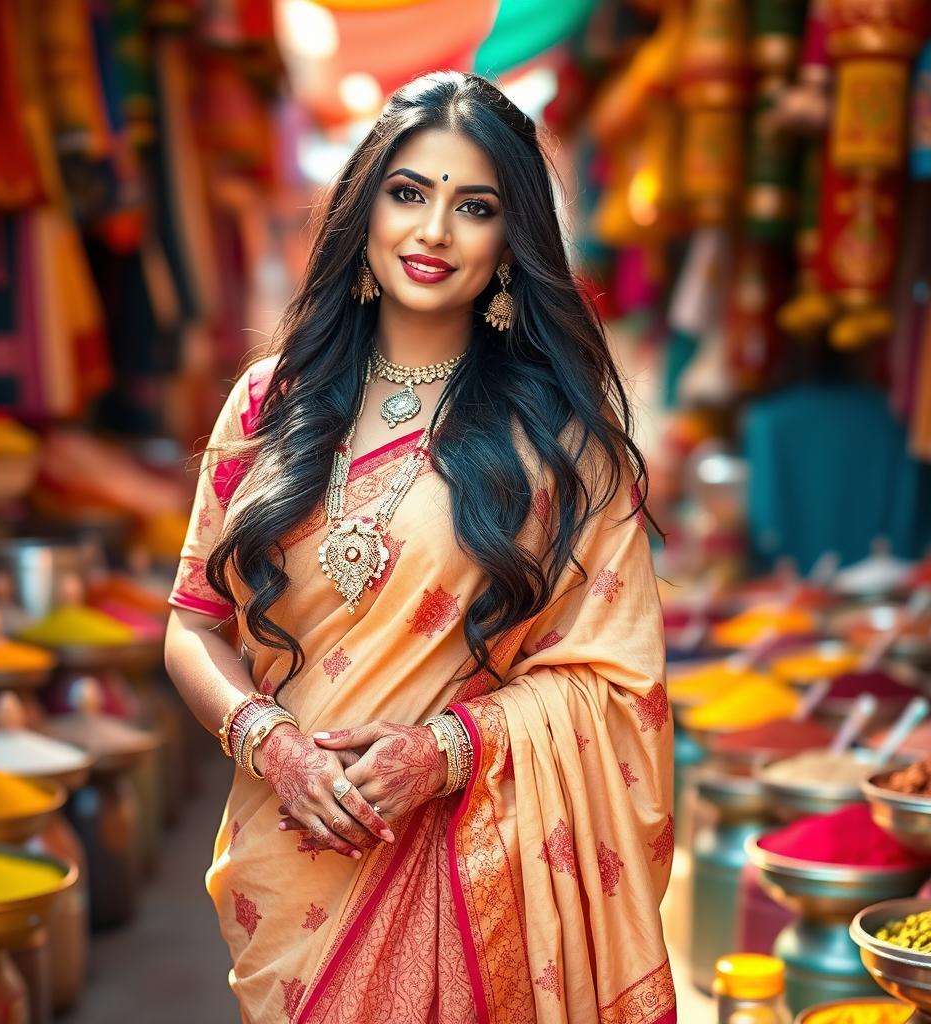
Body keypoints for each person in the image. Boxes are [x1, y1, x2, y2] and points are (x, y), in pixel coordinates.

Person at [164, 70, 675, 1024]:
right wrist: (273, 747)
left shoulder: (562, 442)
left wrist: (445, 749)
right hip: (288, 866)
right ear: (365, 212)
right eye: (409, 193)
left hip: (469, 867)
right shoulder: (268, 406)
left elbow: (615, 687)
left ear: (510, 241)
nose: (433, 231)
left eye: (473, 206)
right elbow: (192, 625)